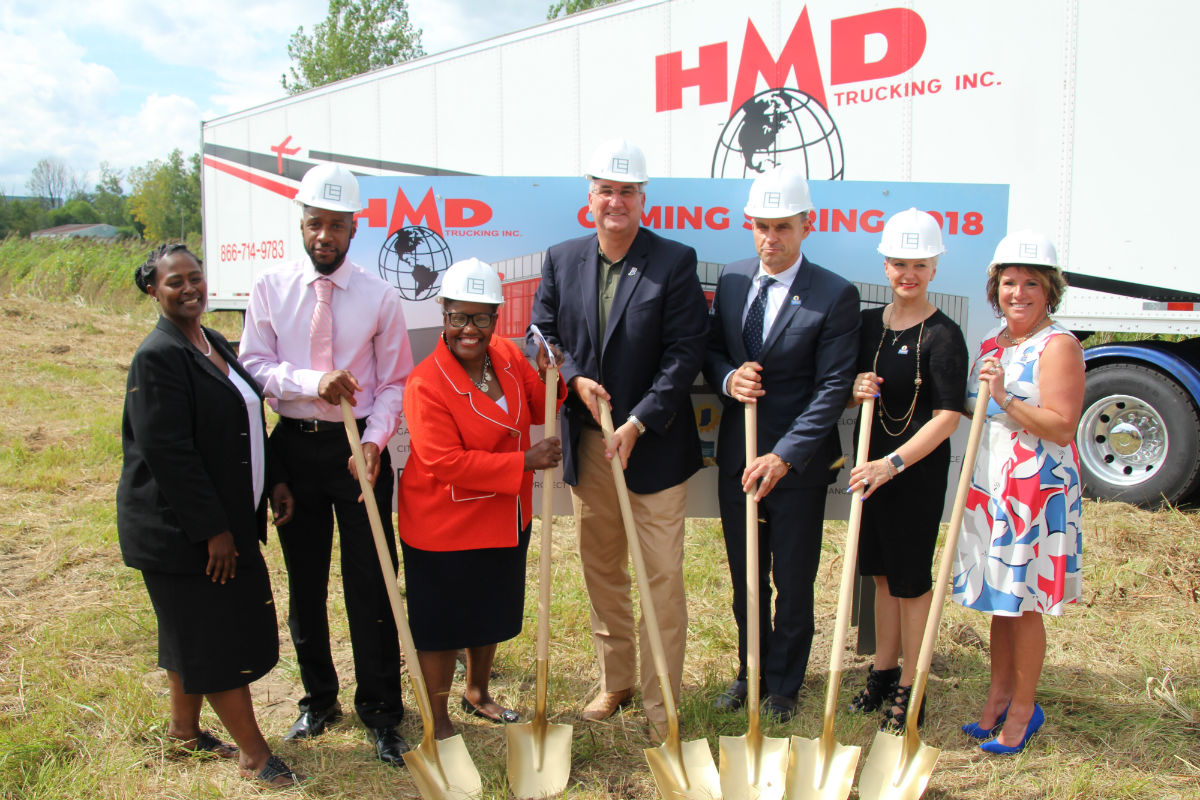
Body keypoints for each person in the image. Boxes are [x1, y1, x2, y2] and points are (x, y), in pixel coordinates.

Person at [527, 138, 708, 739]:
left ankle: (663, 703)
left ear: (642, 198)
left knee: (661, 577)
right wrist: (574, 378)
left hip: (651, 448)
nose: (615, 201)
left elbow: (686, 354)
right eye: (606, 190)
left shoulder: (674, 261)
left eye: (626, 191)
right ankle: (617, 680)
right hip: (589, 446)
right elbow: (541, 333)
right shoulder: (561, 258)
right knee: (602, 568)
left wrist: (638, 421)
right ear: (590, 196)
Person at [239, 163, 414, 764]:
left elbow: (394, 382)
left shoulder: (379, 295)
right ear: (303, 221)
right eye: (315, 223)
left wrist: (375, 440)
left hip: (357, 450)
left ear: (354, 228)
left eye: (337, 226)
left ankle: (382, 712)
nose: (324, 236)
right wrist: (313, 379)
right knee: (305, 583)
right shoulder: (270, 287)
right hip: (293, 448)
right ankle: (319, 699)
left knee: (372, 583)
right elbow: (255, 367)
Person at [117, 244, 304, 787]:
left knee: (190, 633)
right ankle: (253, 753)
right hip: (180, 533)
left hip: (220, 521)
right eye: (175, 282)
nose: (189, 289)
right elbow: (168, 453)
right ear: (153, 290)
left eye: (195, 278)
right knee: (214, 638)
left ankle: (183, 734)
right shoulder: (158, 357)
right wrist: (214, 532)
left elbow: (242, 424)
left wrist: (273, 482)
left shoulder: (212, 341)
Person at [703, 167, 861, 721]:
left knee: (792, 581)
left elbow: (833, 387)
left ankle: (786, 685)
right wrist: (728, 379)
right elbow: (712, 354)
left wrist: (785, 455)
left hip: (796, 467)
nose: (771, 239)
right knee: (746, 578)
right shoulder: (732, 280)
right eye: (761, 227)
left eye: (783, 227)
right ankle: (751, 671)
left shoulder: (835, 295)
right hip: (737, 459)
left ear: (806, 225)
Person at [397, 258, 565, 739]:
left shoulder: (508, 358)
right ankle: (438, 719)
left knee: (488, 610)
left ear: (496, 317)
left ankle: (478, 691)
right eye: (459, 317)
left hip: (503, 514)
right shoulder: (426, 382)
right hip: (443, 522)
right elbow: (443, 461)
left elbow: (540, 405)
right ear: (443, 314)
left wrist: (550, 377)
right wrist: (525, 463)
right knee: (441, 623)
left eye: (482, 317)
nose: (469, 329)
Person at [953, 230, 1084, 754]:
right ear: (996, 288)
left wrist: (1003, 394)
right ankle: (998, 695)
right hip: (991, 483)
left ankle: (1025, 708)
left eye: (1032, 283)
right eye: (1009, 282)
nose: (1019, 293)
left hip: (1036, 488)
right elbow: (971, 406)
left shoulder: (1059, 345)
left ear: (1050, 290)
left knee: (1024, 603)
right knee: (999, 600)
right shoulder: (992, 339)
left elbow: (1061, 427)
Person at [844, 209, 968, 730]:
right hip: (868, 470)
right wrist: (855, 389)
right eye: (898, 263)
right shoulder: (869, 324)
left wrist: (890, 464)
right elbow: (849, 388)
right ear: (886, 266)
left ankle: (912, 687)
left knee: (911, 582)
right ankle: (882, 672)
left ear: (935, 267)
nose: (907, 274)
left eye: (918, 264)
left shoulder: (944, 335)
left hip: (909, 471)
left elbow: (947, 418)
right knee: (880, 576)